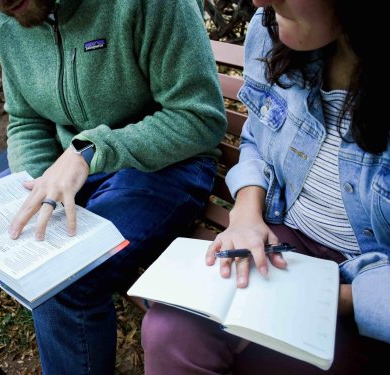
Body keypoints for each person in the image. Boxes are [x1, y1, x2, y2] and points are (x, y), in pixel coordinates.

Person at [0, 0, 227, 374]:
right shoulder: (6, 16)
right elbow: (26, 120)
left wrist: (89, 150)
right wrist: (33, 184)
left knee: (63, 277)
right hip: (67, 166)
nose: (2, 2)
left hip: (165, 164)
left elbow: (199, 117)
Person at [141, 0, 390, 374]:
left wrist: (335, 298)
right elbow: (256, 139)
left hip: (371, 288)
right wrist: (244, 213)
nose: (257, 0)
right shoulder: (271, 29)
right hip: (284, 242)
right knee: (171, 329)